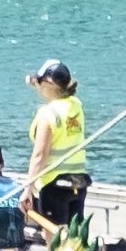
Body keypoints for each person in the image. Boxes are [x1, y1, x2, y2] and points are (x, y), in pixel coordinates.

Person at [26, 58, 93, 234]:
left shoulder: (48, 115)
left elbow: (40, 155)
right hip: (78, 182)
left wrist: (27, 189)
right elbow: (60, 92)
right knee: (74, 237)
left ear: (47, 84)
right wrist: (36, 82)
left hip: (53, 185)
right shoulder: (76, 105)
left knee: (55, 241)